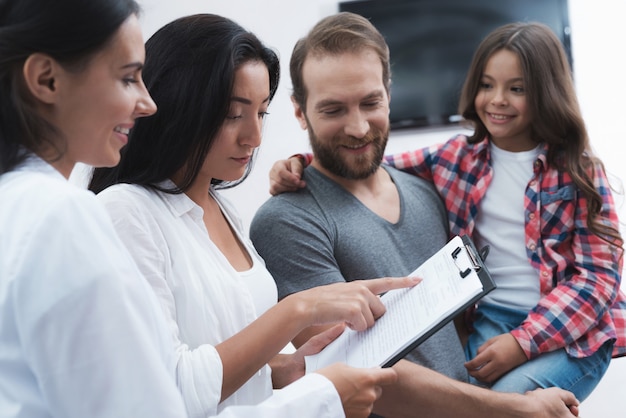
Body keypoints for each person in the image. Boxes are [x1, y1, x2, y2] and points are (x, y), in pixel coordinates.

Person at [266, 15, 626, 406]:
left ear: (389, 94)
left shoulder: (575, 174)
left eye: (370, 102)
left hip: (561, 334)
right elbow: (342, 361)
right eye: (333, 110)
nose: (357, 128)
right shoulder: (456, 159)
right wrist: (299, 161)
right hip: (489, 338)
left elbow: (598, 280)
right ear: (300, 112)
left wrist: (523, 345)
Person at [87, 13, 420, 418]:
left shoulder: (220, 208)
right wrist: (299, 310)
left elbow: (222, 354)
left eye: (261, 112)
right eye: (233, 114)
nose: (255, 137)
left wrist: (289, 368)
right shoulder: (125, 210)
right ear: (179, 103)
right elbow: (168, 389)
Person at [0, 0, 188, 416]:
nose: (148, 103)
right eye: (128, 78)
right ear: (46, 80)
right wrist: (322, 398)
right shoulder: (57, 216)